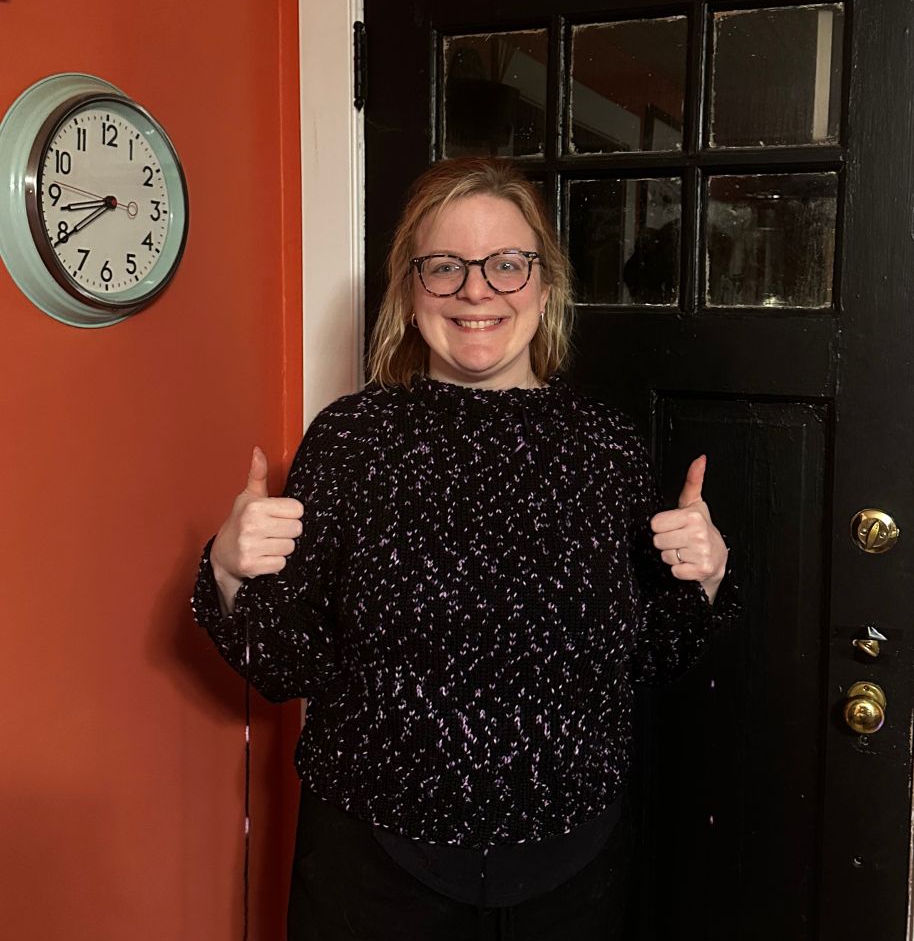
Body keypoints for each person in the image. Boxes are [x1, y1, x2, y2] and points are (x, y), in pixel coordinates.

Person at [191, 156, 739, 940]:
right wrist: (229, 570)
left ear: (543, 286)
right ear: (410, 294)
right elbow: (286, 667)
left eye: (506, 265)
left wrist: (706, 581)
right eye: (445, 267)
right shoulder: (351, 440)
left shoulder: (606, 448)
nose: (477, 290)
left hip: (574, 870)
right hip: (371, 870)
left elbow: (645, 659)